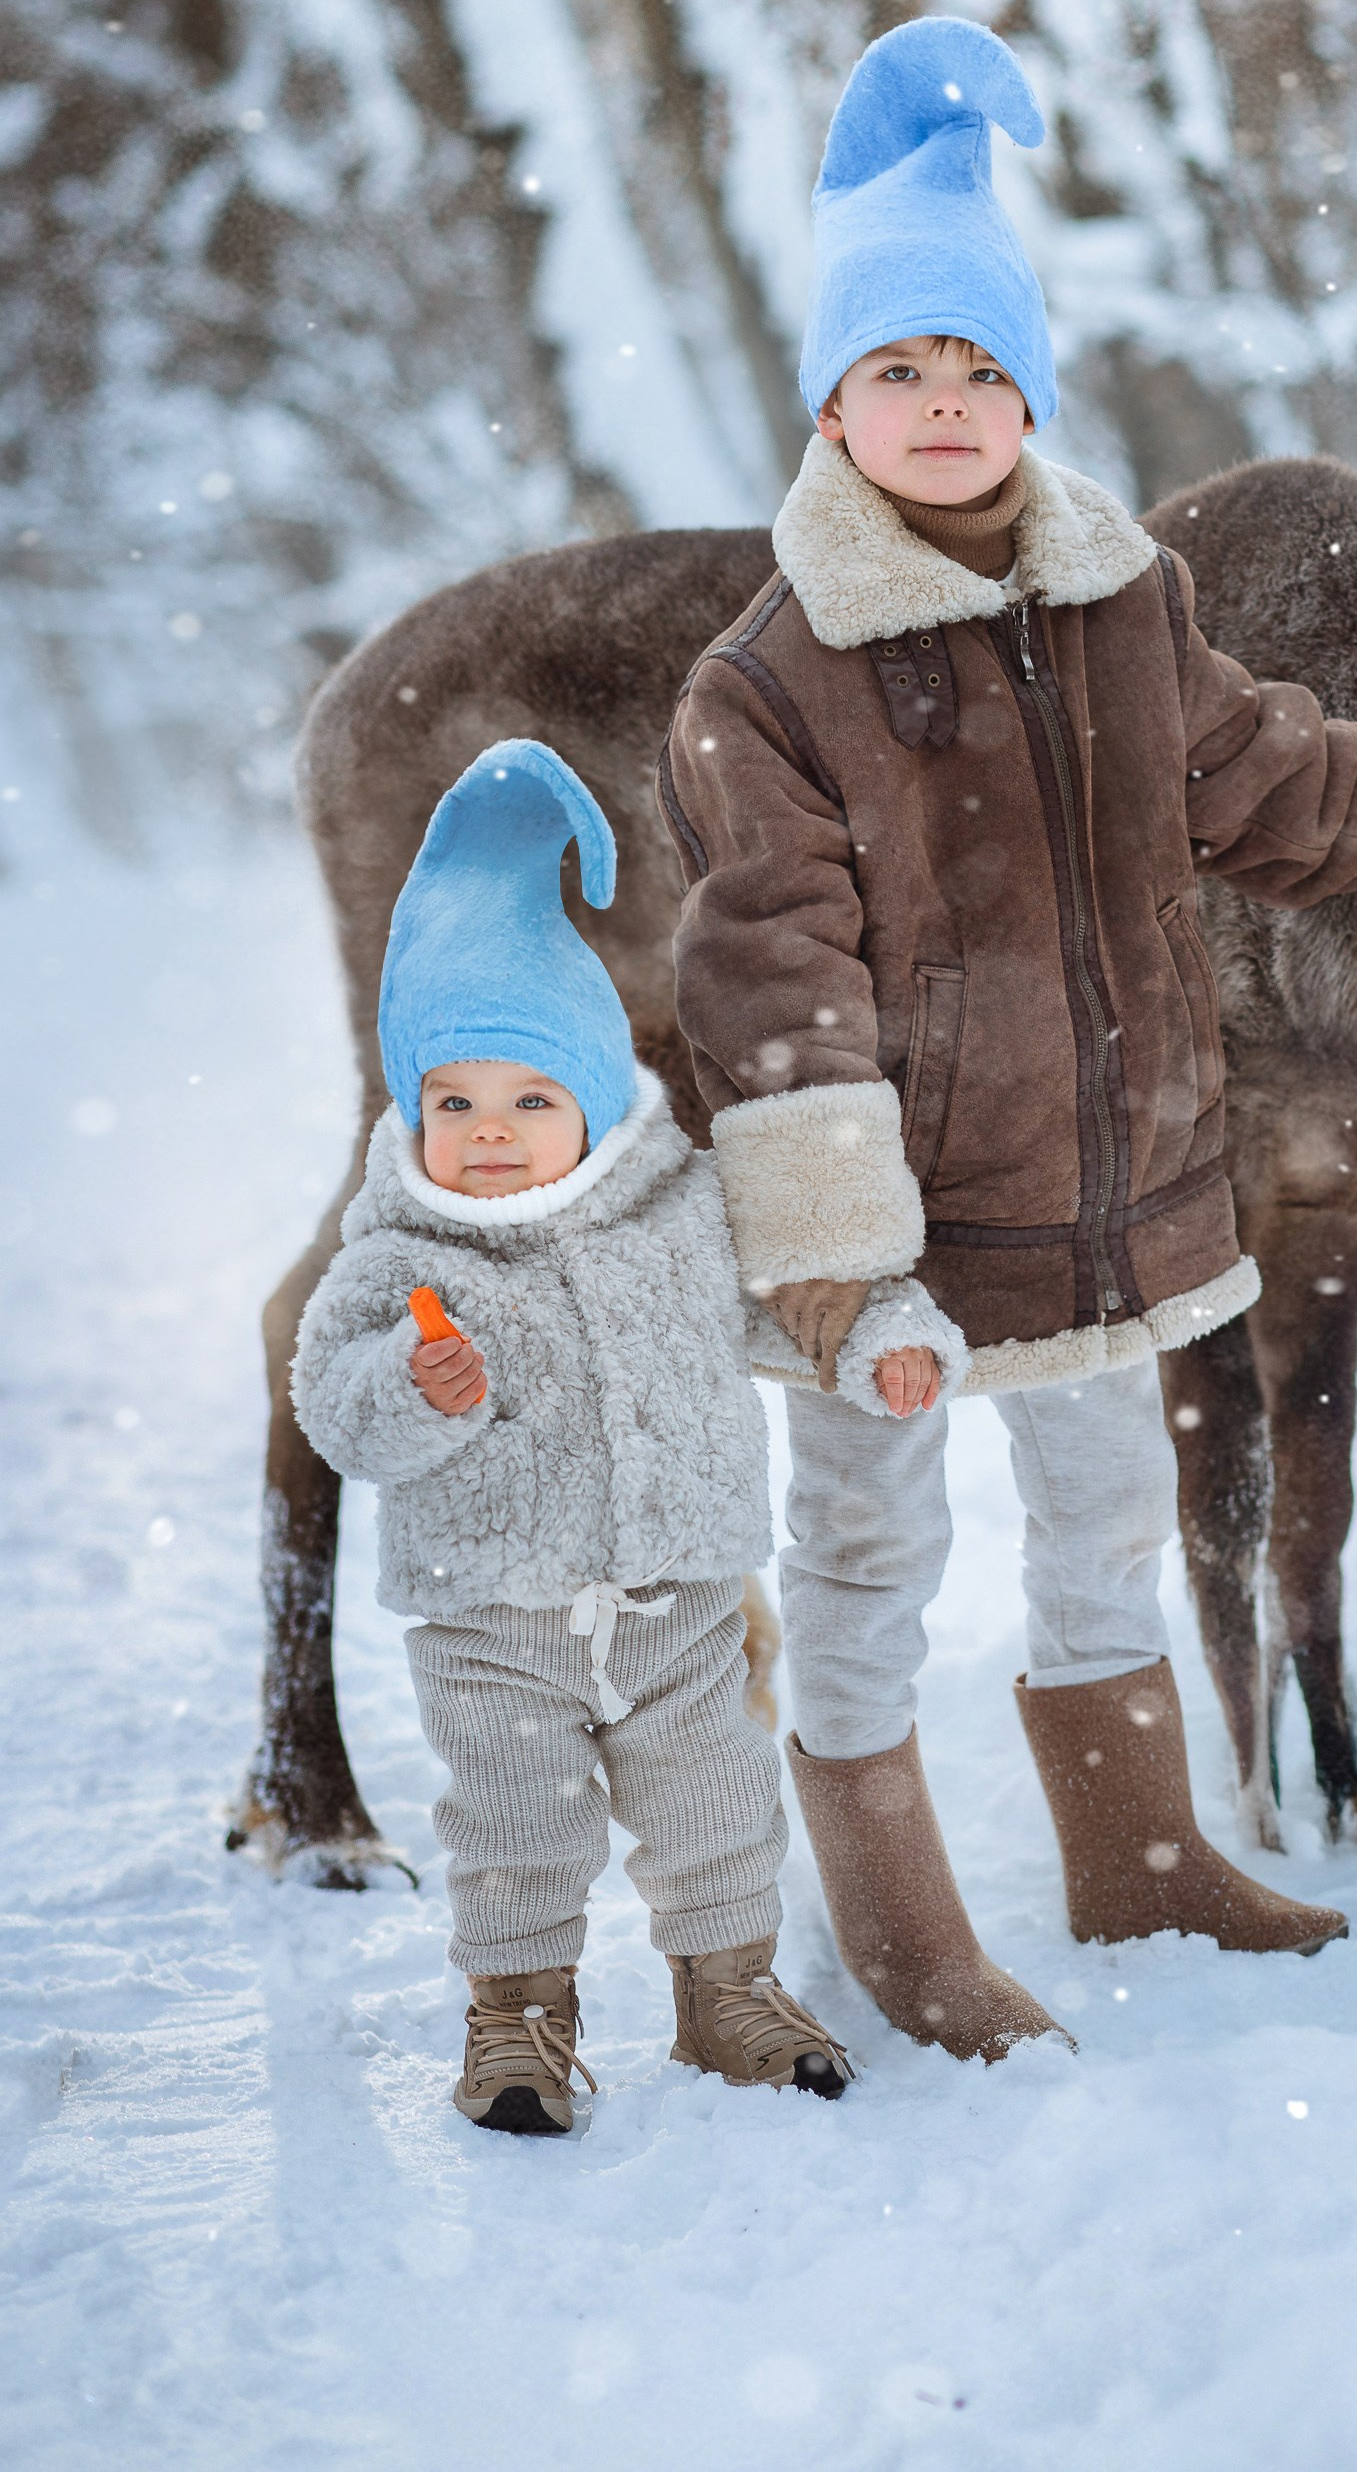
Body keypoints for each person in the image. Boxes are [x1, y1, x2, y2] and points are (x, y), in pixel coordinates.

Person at [661, 16, 1357, 2059]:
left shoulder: (1119, 603)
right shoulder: (770, 680)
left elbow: (1267, 784)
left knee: (1102, 1521)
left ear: (1027, 394)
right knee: (867, 1549)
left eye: (979, 366)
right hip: (894, 1242)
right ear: (830, 399)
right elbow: (768, 965)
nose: (942, 404)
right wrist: (833, 1254)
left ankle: (1138, 1860)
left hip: (1107, 1208)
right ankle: (906, 1926)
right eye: (897, 368)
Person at [291, 739, 860, 2134]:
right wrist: (414, 1393)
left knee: (716, 1799)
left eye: (530, 1099)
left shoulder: (680, 1211)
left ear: (596, 1099)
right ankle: (518, 2022)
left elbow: (786, 1302)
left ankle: (727, 1991)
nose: (489, 1134)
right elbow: (331, 1398)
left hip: (678, 1588)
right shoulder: (395, 1250)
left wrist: (875, 1333)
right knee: (512, 1823)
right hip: (493, 1612)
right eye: (455, 1101)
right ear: (413, 1110)